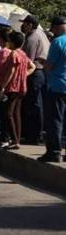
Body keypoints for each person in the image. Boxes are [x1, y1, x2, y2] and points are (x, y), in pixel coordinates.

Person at [39, 16, 66, 163]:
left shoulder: (57, 42)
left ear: (56, 27)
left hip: (57, 85)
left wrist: (43, 64)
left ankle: (54, 152)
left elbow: (49, 65)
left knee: (55, 120)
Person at [0, 32, 31, 150]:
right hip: (22, 87)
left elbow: (10, 72)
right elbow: (32, 66)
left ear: (12, 42)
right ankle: (17, 139)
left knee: (8, 113)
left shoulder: (14, 54)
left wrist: (2, 87)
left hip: (12, 87)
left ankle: (14, 140)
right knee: (16, 113)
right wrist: (24, 75)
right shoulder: (23, 54)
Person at [21, 15, 49, 145]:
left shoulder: (32, 38)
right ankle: (36, 133)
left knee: (34, 104)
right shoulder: (41, 34)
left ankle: (35, 135)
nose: (23, 26)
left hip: (34, 72)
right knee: (37, 103)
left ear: (30, 25)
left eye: (25, 24)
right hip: (41, 72)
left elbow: (28, 60)